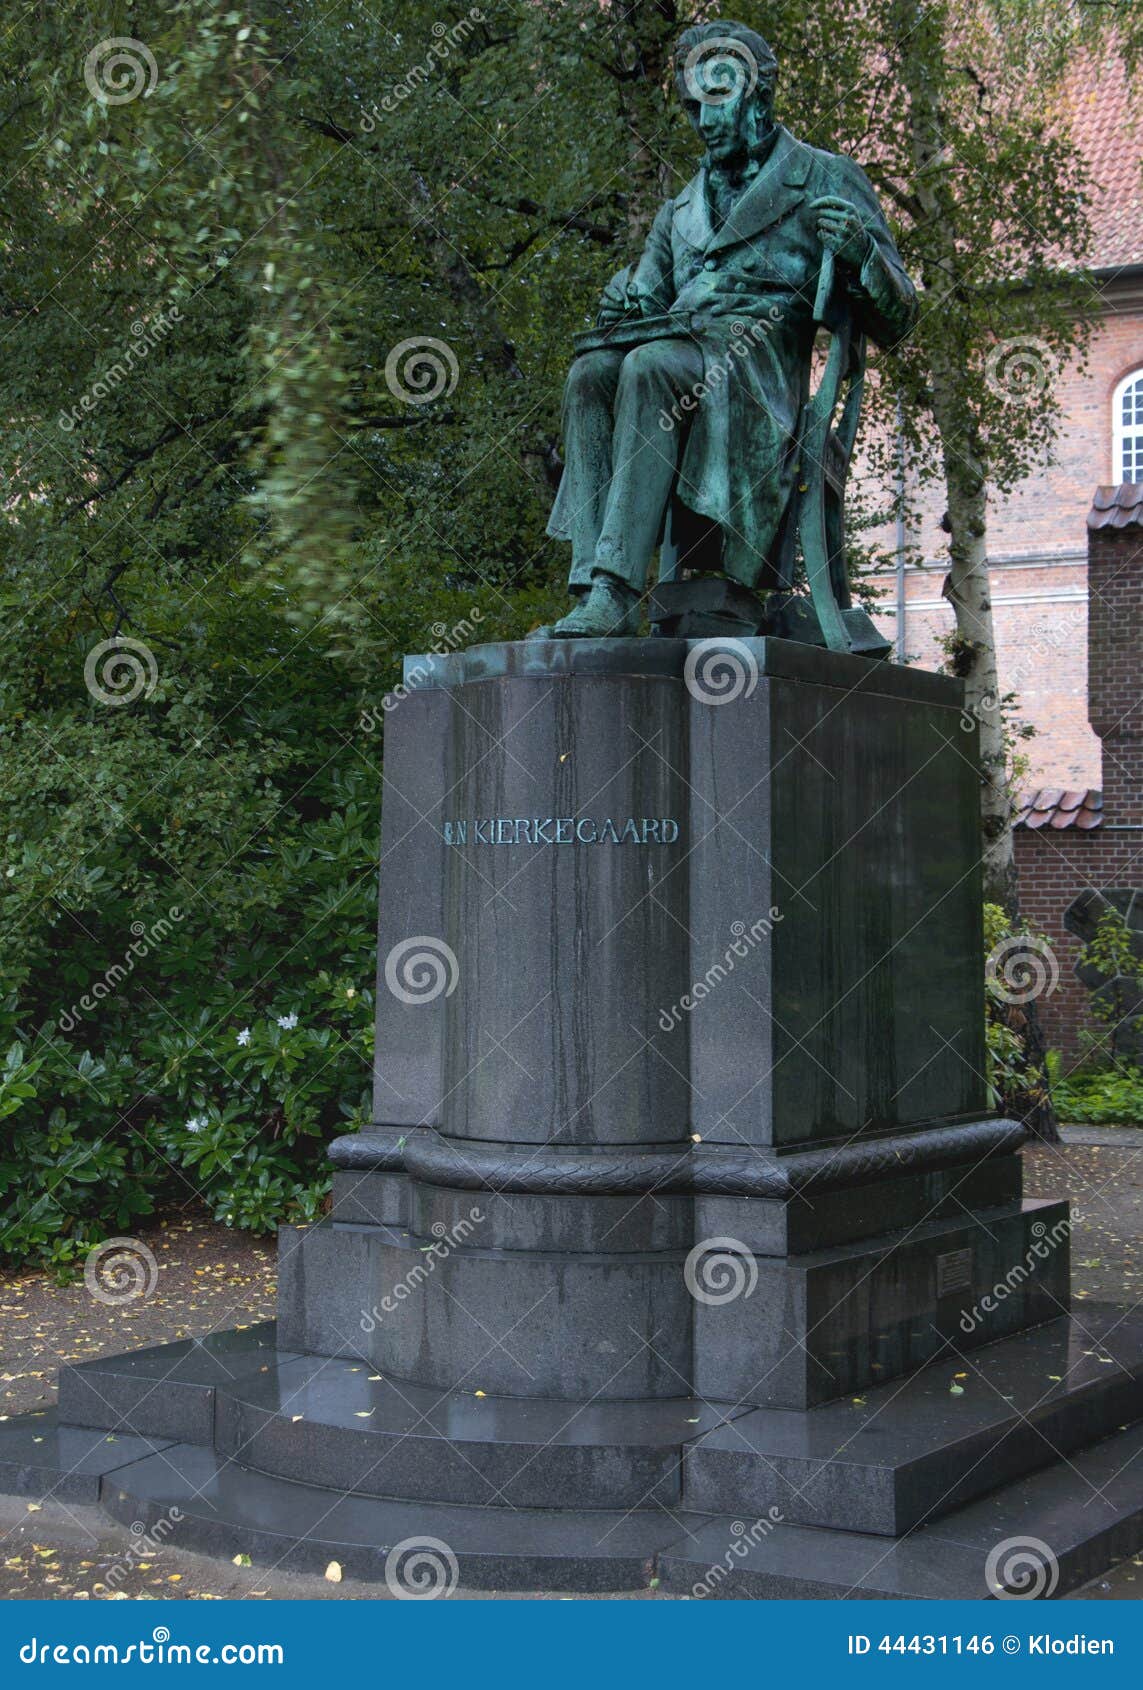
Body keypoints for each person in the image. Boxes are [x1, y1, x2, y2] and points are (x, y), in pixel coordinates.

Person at [538, 19, 917, 639]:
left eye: (718, 102)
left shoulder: (824, 176)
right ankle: (591, 583)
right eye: (693, 108)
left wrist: (861, 256)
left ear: (758, 97)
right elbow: (647, 302)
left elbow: (901, 318)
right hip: (678, 359)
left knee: (648, 366)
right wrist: (621, 306)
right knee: (592, 372)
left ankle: (617, 589)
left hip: (755, 382)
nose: (704, 121)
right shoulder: (678, 211)